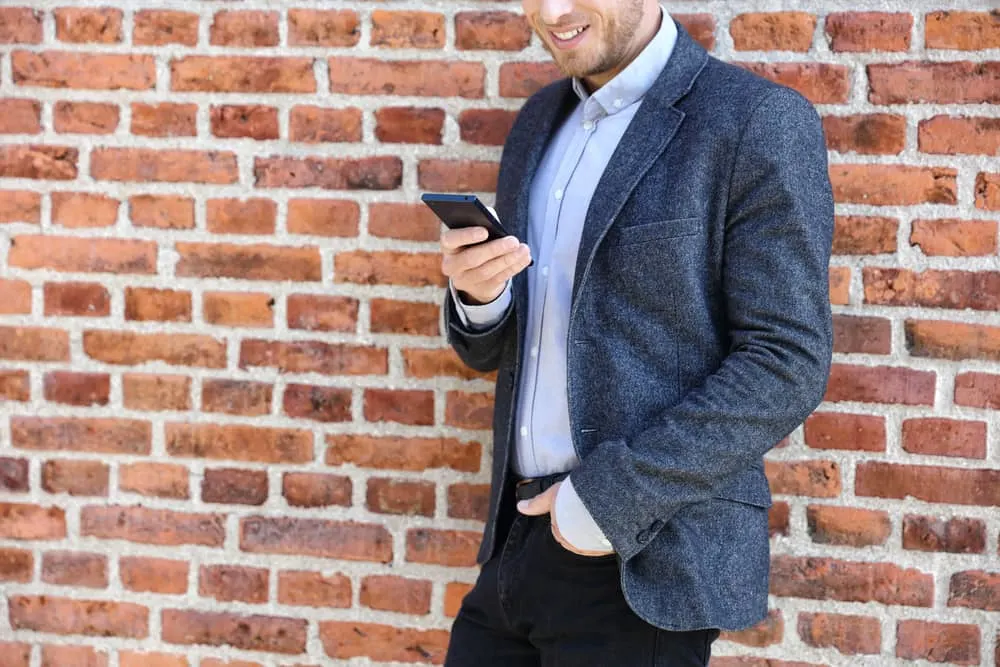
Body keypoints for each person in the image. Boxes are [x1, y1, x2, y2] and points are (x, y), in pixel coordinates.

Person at [440, 0, 834, 664]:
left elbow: (787, 359)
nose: (552, 12)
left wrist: (600, 504)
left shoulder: (754, 122)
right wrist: (479, 299)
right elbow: (514, 350)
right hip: (515, 545)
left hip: (639, 552)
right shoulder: (538, 121)